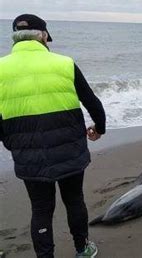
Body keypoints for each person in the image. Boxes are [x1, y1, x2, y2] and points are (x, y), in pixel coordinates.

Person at [0, 14, 106, 258]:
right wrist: (98, 128)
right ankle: (83, 249)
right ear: (43, 35)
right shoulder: (64, 63)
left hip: (28, 153)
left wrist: (10, 141)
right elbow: (92, 102)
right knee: (74, 200)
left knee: (41, 209)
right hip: (70, 148)